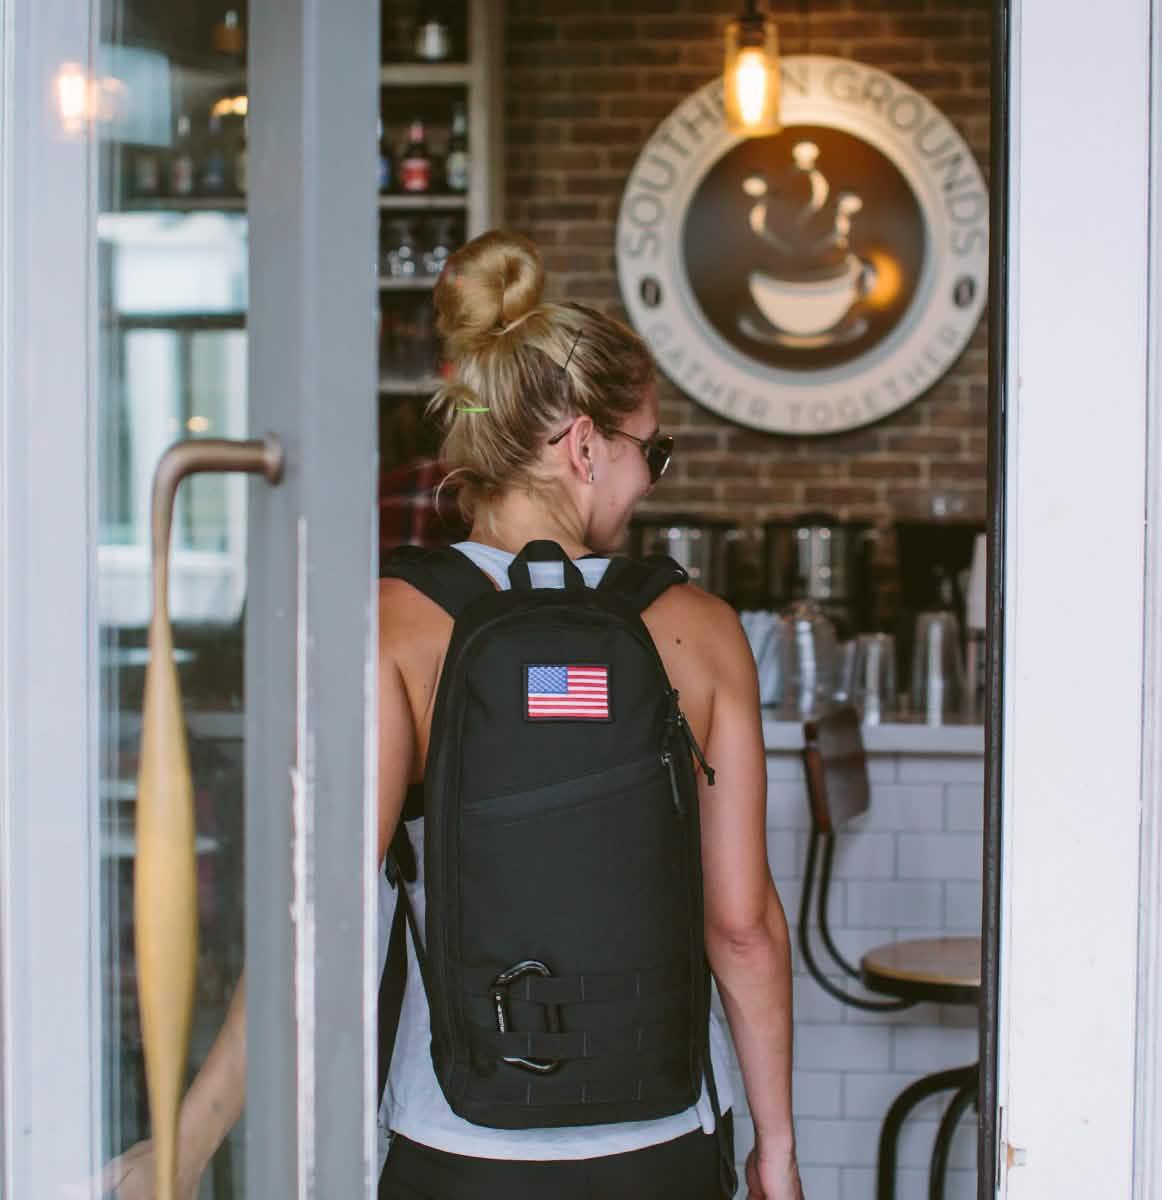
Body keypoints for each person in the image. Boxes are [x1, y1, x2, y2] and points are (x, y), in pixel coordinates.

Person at [102, 230, 803, 1200]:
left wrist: (197, 1131)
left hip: (457, 1139)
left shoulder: (395, 625)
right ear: (585, 444)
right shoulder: (702, 632)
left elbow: (323, 911)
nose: (650, 482)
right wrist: (778, 1145)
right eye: (654, 451)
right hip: (664, 1136)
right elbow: (744, 930)